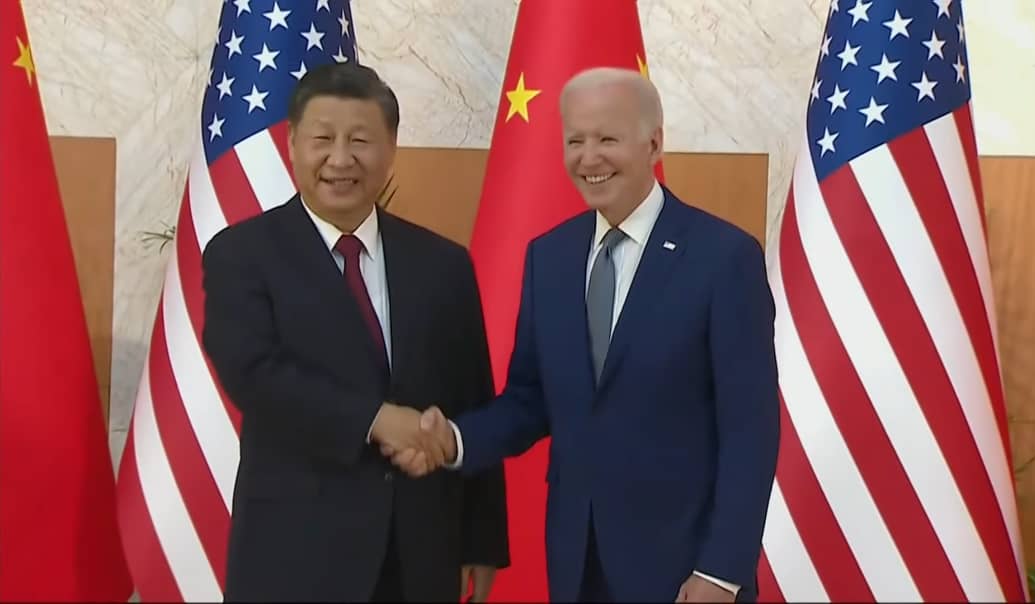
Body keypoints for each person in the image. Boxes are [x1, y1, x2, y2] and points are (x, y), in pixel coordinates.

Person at [387, 67, 780, 602]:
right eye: (575, 140)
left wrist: (721, 571)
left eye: (607, 139)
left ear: (654, 143)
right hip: (577, 562)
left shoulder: (723, 257)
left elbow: (750, 432)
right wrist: (451, 440)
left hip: (685, 568)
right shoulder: (549, 256)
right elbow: (530, 402)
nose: (588, 158)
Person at [201, 62, 508, 602]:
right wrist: (374, 420)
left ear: (390, 147)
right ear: (293, 143)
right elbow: (252, 374)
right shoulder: (242, 254)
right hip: (294, 553)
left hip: (419, 552)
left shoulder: (443, 263)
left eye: (361, 140)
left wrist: (481, 539)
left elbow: (473, 398)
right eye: (322, 138)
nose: (340, 159)